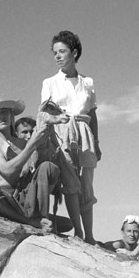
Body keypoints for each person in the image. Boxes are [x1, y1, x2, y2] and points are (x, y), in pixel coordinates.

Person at [0, 97, 72, 234]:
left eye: (5, 112)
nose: (1, 117)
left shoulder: (21, 142)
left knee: (48, 167)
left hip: (22, 198)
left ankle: (38, 216)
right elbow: (7, 171)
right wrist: (32, 144)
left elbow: (40, 168)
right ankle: (32, 221)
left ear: (12, 116)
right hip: (1, 198)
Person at [41, 30, 101, 244]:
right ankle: (79, 232)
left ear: (74, 53)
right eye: (54, 52)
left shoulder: (88, 82)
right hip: (62, 130)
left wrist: (97, 141)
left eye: (62, 51)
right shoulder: (49, 82)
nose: (57, 56)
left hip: (85, 131)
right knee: (70, 181)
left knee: (87, 182)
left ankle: (91, 235)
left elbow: (92, 114)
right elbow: (45, 113)